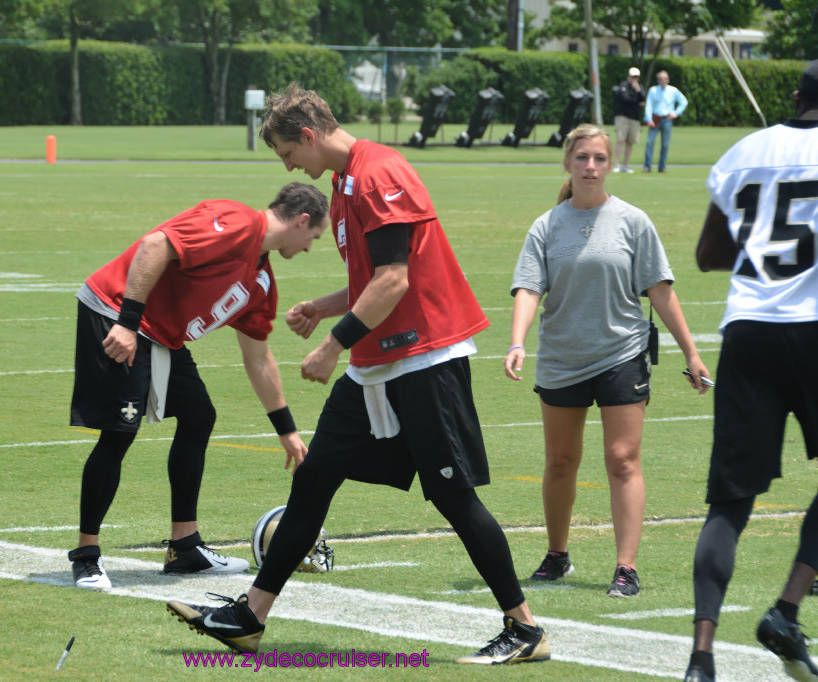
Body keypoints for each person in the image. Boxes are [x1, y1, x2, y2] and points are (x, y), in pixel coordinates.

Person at [166, 83, 550, 666]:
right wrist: (324, 306)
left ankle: (524, 629)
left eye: (285, 152)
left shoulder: (377, 173)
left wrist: (330, 345)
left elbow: (396, 280)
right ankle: (250, 618)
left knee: (452, 495)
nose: (288, 164)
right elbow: (376, 275)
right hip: (379, 361)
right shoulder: (346, 185)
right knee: (315, 476)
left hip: (423, 356)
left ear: (309, 136)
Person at [67, 182, 329, 590]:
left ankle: (184, 548)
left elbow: (259, 358)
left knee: (198, 414)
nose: (311, 248)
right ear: (302, 220)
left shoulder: (262, 282)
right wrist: (127, 322)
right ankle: (86, 556)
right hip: (116, 310)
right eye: (314, 237)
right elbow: (155, 245)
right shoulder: (238, 222)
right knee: (119, 432)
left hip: (162, 334)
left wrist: (287, 430)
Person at [506, 123, 710, 599]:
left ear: (610, 162)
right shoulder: (547, 225)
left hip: (622, 353)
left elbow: (660, 290)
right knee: (560, 462)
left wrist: (691, 352)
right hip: (562, 358)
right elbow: (529, 288)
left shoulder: (633, 221)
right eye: (582, 158)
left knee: (622, 460)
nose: (591, 167)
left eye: (599, 158)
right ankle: (557, 555)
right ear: (567, 163)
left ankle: (626, 567)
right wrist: (517, 341)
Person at [682, 60, 818, 682]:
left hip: (749, 331)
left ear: (796, 96)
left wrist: (764, 243)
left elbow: (710, 253)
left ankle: (701, 657)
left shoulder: (747, 149)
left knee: (729, 503)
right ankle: (787, 608)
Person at [643, 70, 688, 173]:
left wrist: (676, 113)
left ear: (668, 80)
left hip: (667, 119)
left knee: (665, 144)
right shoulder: (653, 90)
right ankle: (647, 166)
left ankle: (662, 167)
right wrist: (648, 119)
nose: (662, 81)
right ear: (658, 80)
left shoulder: (673, 90)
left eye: (664, 79)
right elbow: (649, 105)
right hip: (655, 118)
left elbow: (683, 102)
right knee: (650, 142)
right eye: (660, 79)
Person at [613, 66, 645, 174]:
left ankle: (625, 165)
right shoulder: (623, 86)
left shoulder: (639, 88)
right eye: (632, 77)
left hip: (634, 118)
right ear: (628, 76)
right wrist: (637, 100)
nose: (634, 79)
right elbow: (625, 98)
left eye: (636, 77)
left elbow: (643, 99)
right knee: (620, 140)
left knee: (630, 142)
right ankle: (616, 164)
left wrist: (638, 92)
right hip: (623, 117)